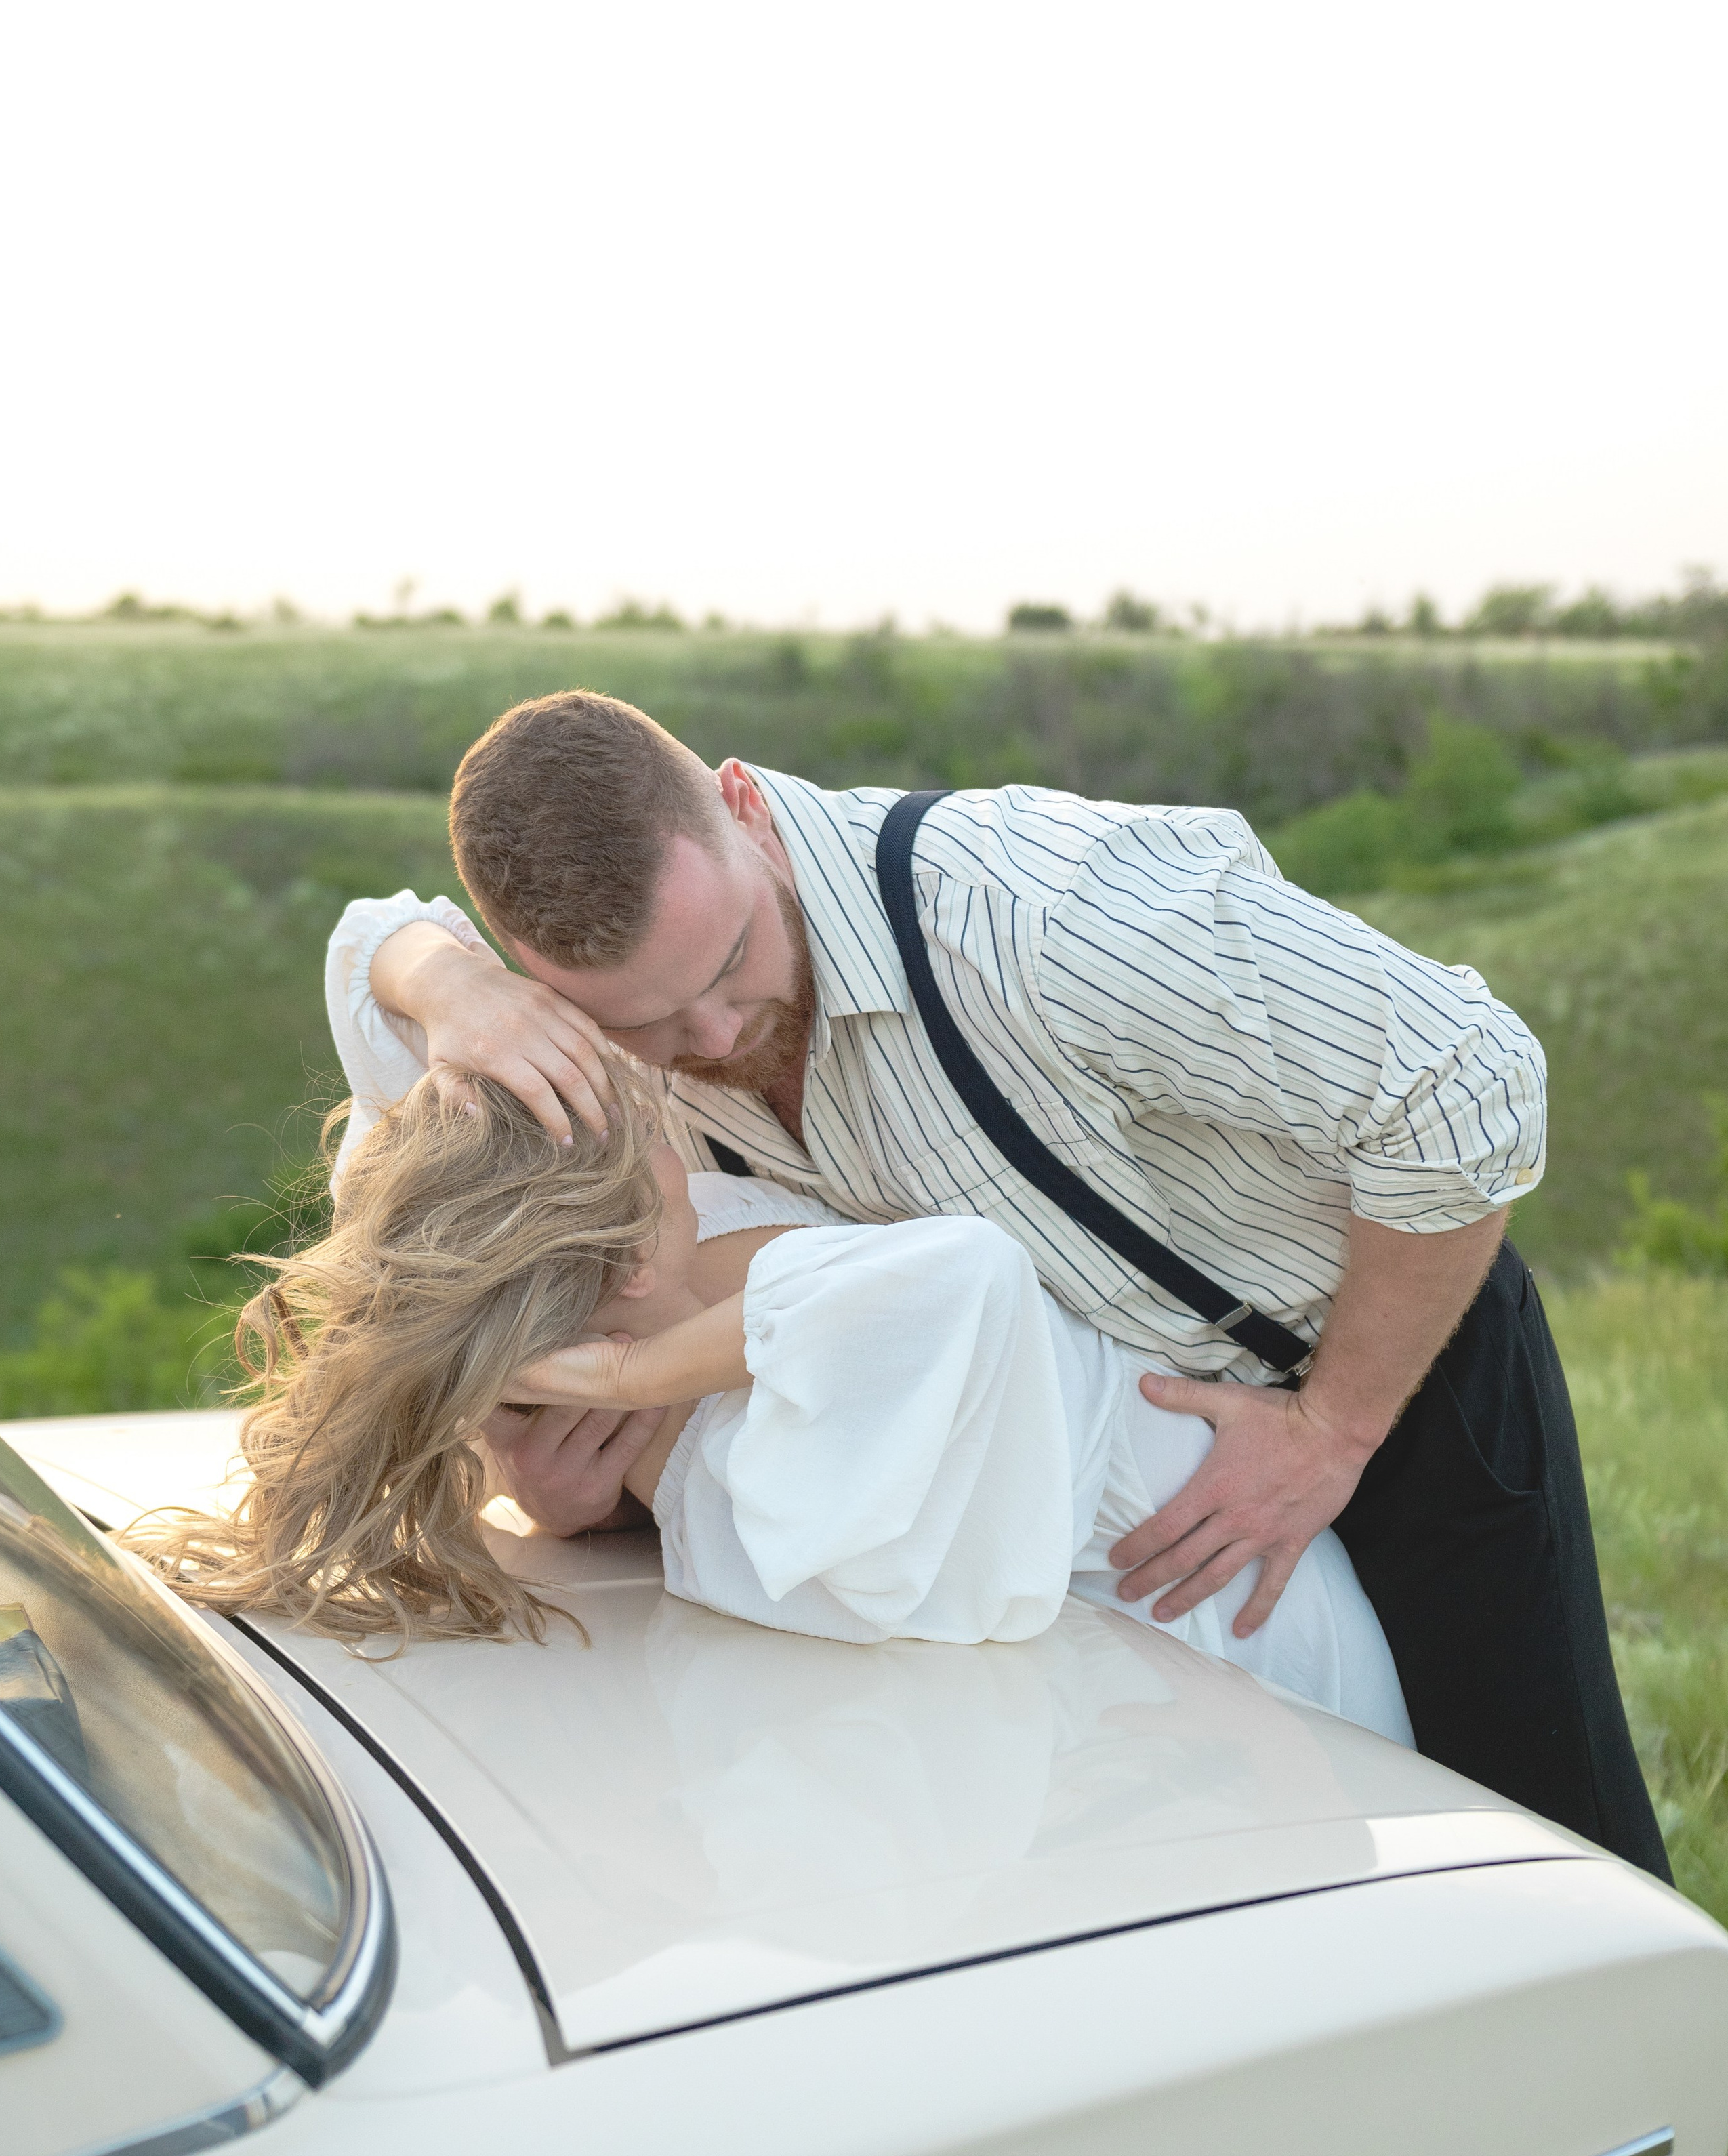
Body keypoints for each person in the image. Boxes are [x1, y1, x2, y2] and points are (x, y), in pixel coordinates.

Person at [323, 688, 1667, 1877]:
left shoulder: (1040, 913)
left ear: (745, 807)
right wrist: (437, 981)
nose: (715, 1036)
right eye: (646, 1021)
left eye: (731, 963)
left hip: (1377, 1360)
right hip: (1111, 1452)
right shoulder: (571, 1016)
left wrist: (1333, 1428)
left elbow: (1466, 1075)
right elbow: (374, 941)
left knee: (1540, 1848)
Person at [140, 1071, 1412, 1751]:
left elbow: (377, 944)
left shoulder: (689, 1257)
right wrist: (624, 1386)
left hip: (1272, 1568)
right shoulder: (752, 1474)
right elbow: (966, 1272)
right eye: (642, 1133)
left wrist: (449, 987)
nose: (668, 1114)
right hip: (1270, 1686)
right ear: (628, 1270)